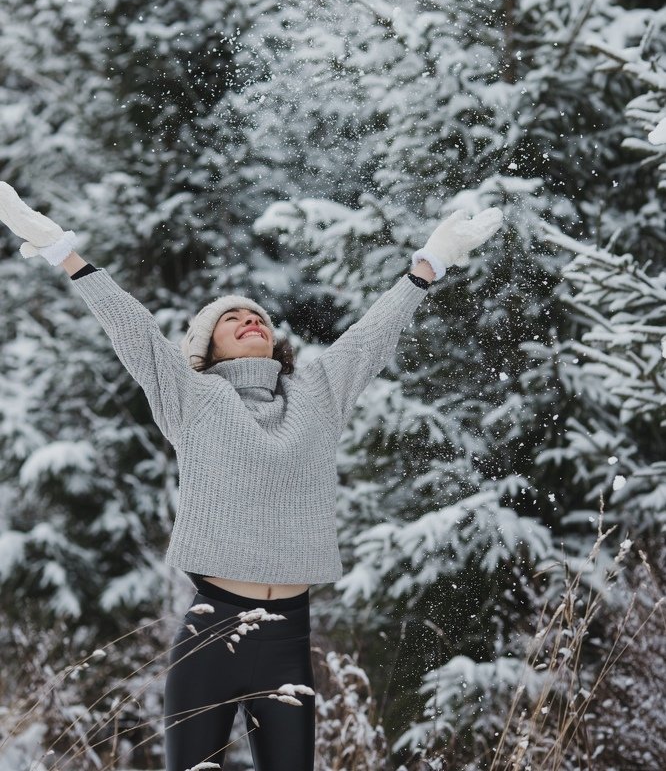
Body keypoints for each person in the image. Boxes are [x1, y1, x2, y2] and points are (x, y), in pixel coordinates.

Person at [0, 181, 502, 771]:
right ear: (205, 346)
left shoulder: (318, 394)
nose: (248, 320)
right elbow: (132, 329)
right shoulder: (190, 395)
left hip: (289, 638)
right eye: (230, 317)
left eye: (256, 315)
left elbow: (370, 336)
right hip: (212, 631)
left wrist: (430, 262)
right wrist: (61, 249)